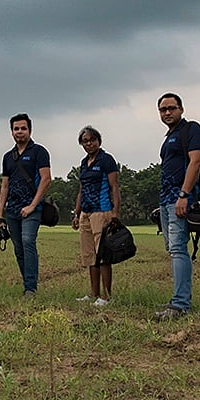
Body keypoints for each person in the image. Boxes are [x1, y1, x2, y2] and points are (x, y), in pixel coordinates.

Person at [153, 93, 200, 321]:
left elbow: (196, 161)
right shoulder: (169, 137)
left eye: (171, 108)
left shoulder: (191, 129)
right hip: (166, 200)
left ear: (181, 109)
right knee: (173, 249)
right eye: (163, 109)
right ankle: (179, 298)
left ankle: (181, 303)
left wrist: (184, 195)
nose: (167, 113)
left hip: (180, 198)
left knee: (177, 249)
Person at [0, 113, 52, 297]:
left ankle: (30, 288)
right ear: (11, 132)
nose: (20, 132)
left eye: (23, 128)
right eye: (16, 129)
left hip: (31, 209)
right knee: (18, 248)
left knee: (28, 242)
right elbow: (4, 186)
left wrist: (33, 206)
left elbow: (46, 179)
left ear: (30, 130)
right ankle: (27, 281)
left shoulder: (39, 152)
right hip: (12, 209)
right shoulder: (8, 157)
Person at [71, 126, 121, 307]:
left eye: (92, 140)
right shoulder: (84, 163)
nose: (89, 144)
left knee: (103, 255)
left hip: (102, 211)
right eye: (85, 141)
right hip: (86, 212)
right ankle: (94, 294)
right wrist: (76, 214)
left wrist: (115, 212)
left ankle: (106, 296)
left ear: (99, 141)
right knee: (90, 255)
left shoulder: (106, 160)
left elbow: (114, 187)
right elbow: (81, 190)